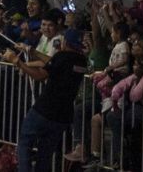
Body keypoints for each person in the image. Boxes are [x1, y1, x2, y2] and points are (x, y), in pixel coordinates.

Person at [5, 26, 89, 172]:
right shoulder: (82, 61)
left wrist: (17, 61)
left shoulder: (62, 57)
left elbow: (40, 75)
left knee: (25, 143)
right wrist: (31, 51)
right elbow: (53, 62)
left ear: (65, 42)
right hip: (63, 115)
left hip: (45, 109)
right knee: (45, 153)